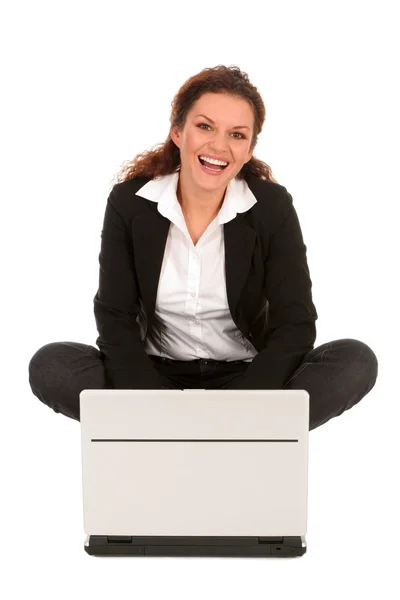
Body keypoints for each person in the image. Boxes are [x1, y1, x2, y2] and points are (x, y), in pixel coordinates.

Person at [28, 64, 378, 430]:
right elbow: (115, 318)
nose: (219, 146)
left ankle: (213, 431)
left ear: (248, 150)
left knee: (354, 361)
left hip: (248, 378)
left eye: (237, 135)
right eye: (205, 126)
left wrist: (245, 403)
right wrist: (147, 399)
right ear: (178, 132)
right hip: (156, 378)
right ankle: (202, 432)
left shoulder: (271, 207)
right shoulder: (130, 203)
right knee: (51, 365)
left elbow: (296, 323)